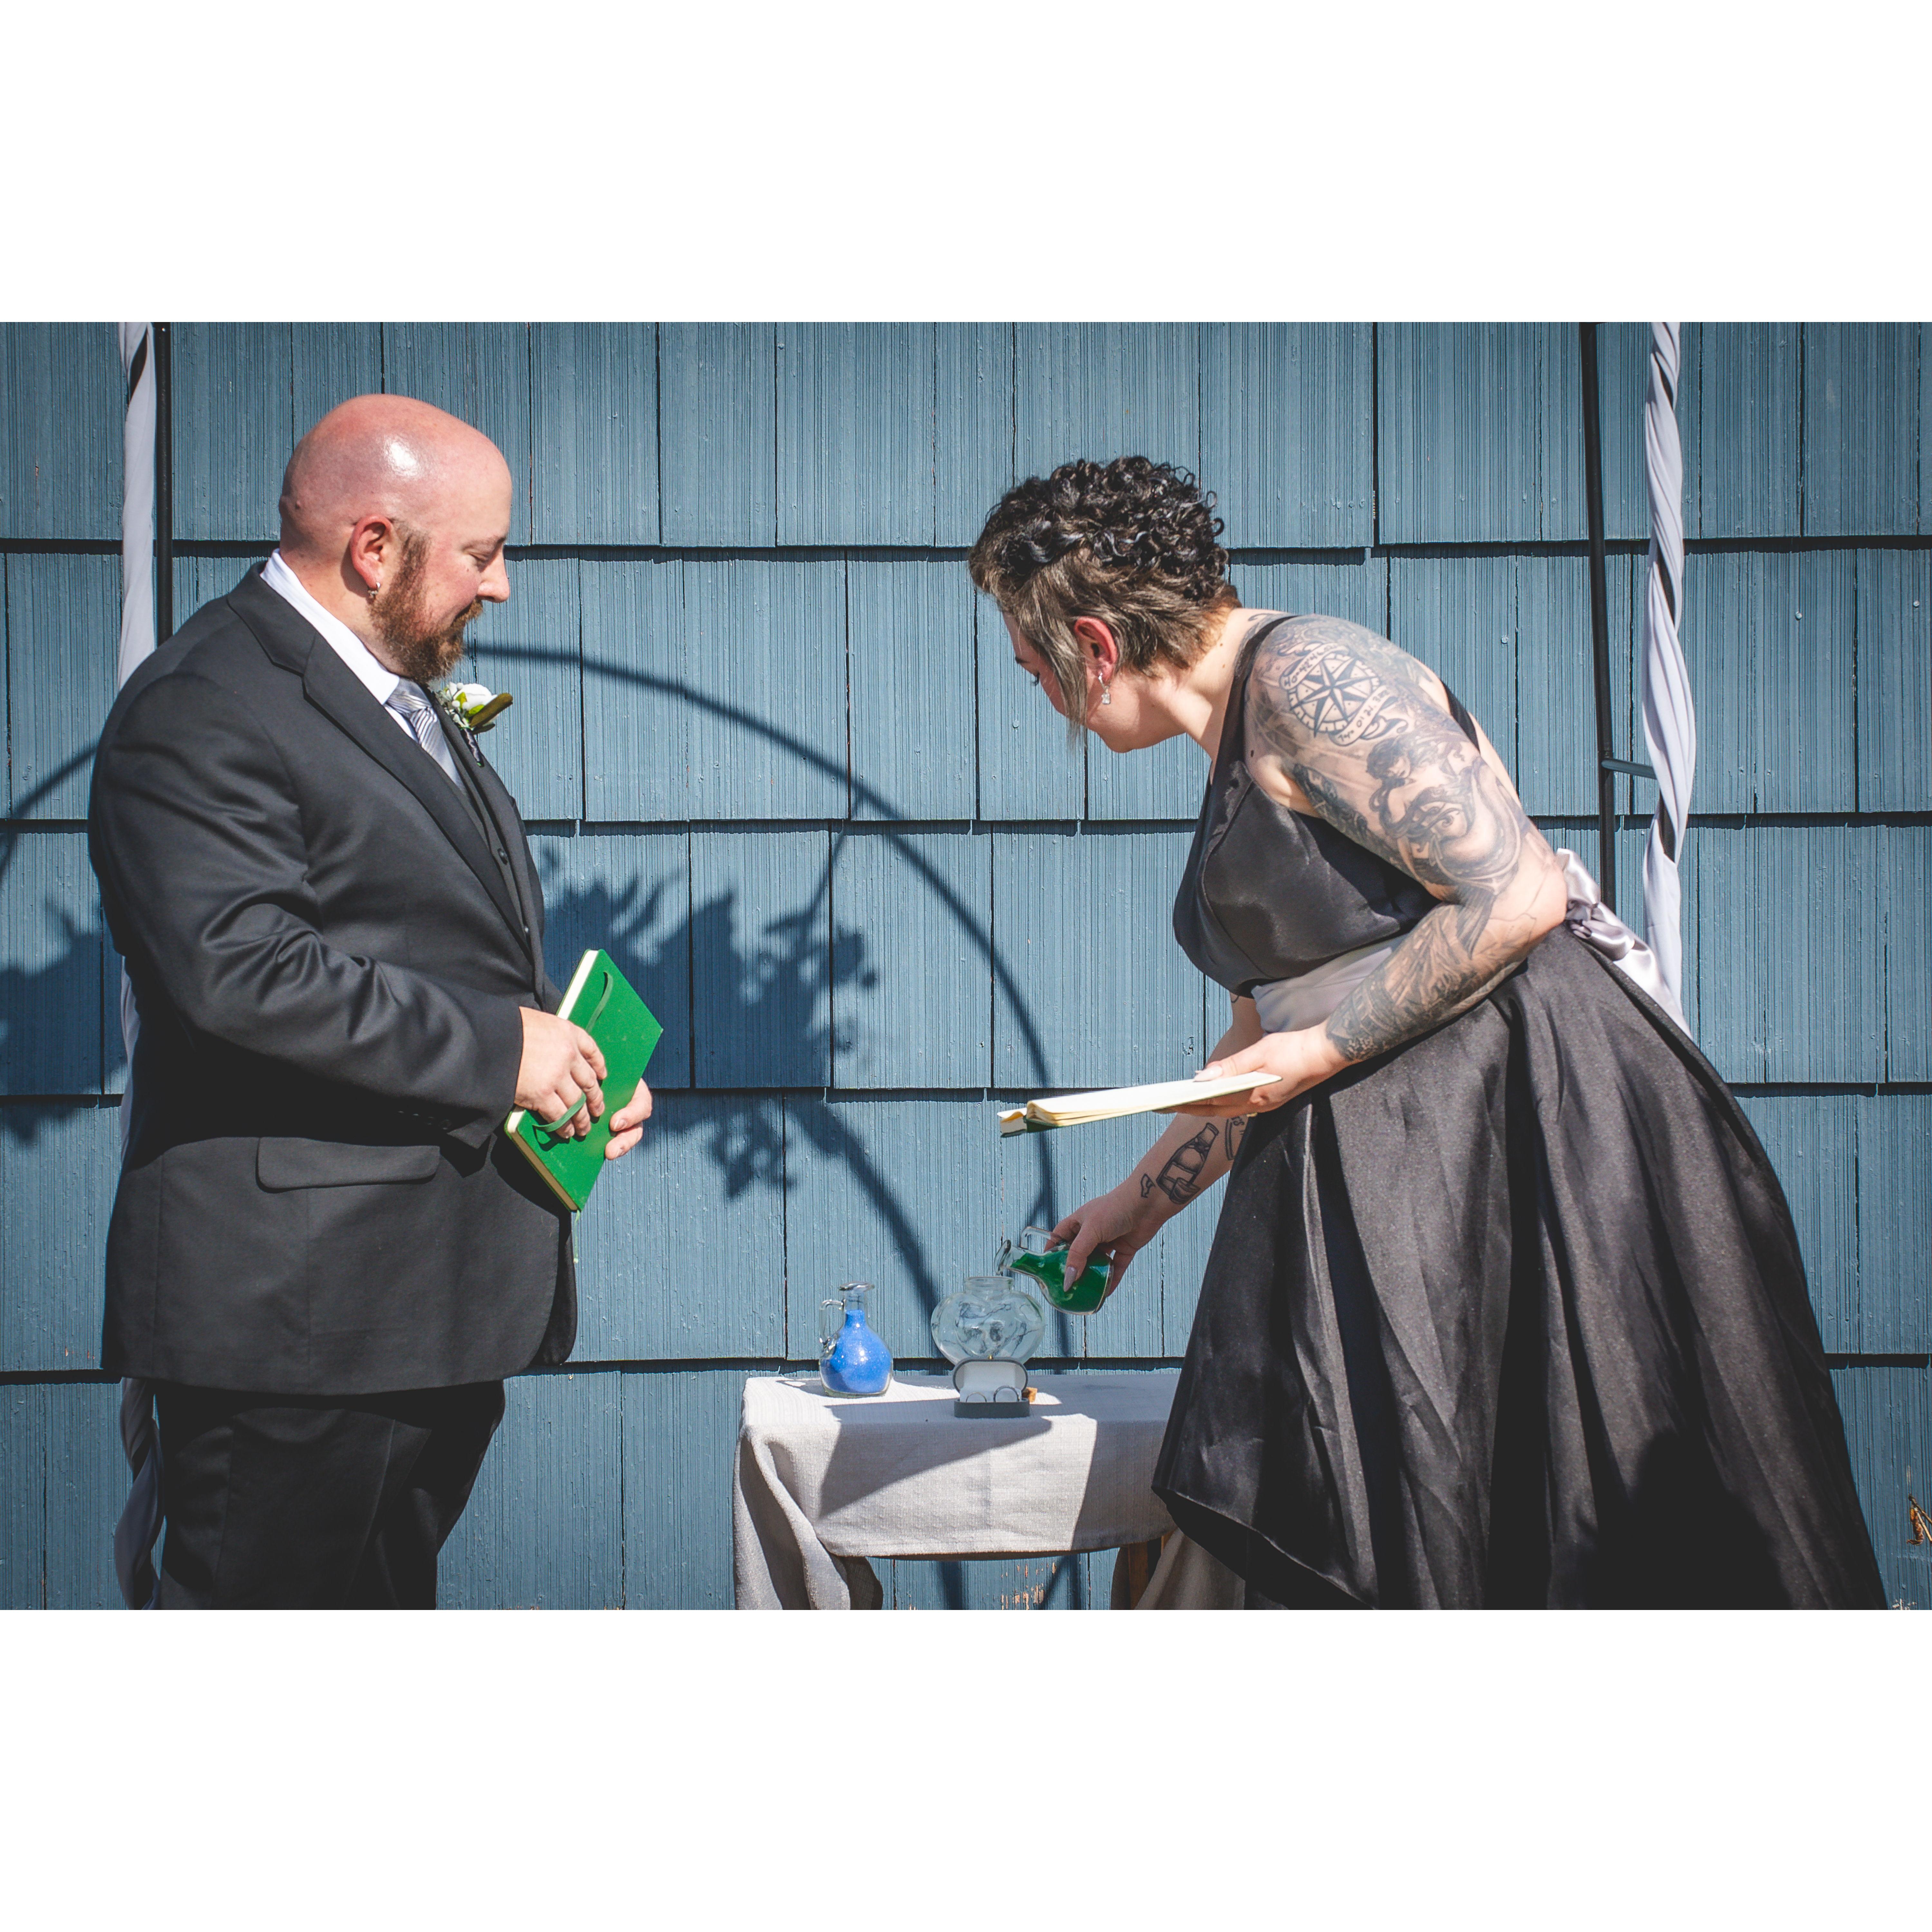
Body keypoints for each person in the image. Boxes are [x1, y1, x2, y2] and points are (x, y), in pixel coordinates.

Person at [970, 454, 1884, 1609]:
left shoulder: (1311, 676)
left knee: (1566, 1520)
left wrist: (1316, 1055)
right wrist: (1138, 1206)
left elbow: (1517, 895)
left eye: (1034, 667)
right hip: (1405, 1168)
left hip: (1537, 1145)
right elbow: (1262, 1041)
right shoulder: (1230, 747)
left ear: (1093, 646)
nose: (1039, 694)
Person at [89, 395, 653, 1609]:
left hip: (419, 1314)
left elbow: (426, 934)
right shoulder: (204, 704)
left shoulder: (389, 688)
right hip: (296, 1330)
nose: (501, 588)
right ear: (376, 547)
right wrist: (505, 1048)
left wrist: (573, 1054)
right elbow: (238, 972)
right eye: (483, 555)